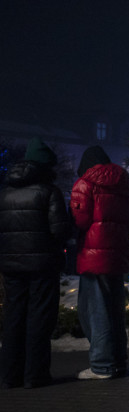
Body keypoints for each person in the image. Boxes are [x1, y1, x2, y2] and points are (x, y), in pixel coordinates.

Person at [0, 138, 71, 389]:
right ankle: (35, 375)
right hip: (43, 265)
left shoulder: (5, 192)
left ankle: (9, 375)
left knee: (13, 317)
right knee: (39, 318)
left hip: (11, 265)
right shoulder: (49, 192)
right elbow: (60, 230)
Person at [70, 145, 129, 380]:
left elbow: (80, 220)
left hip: (93, 256)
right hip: (118, 255)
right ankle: (118, 362)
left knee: (95, 312)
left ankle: (101, 365)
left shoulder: (85, 184)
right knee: (114, 310)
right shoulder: (126, 184)